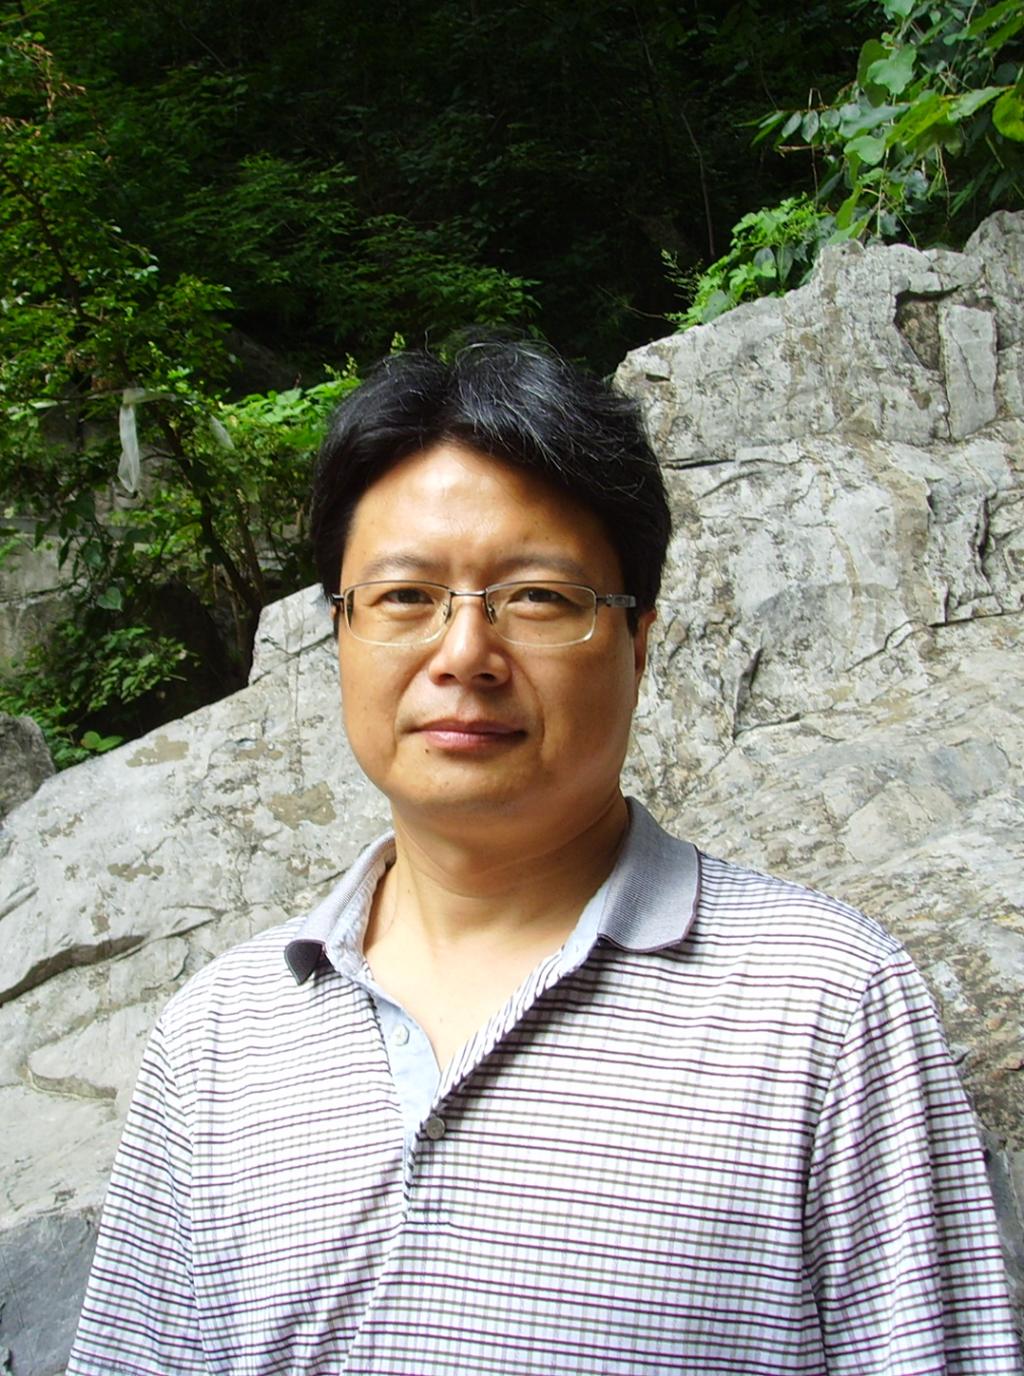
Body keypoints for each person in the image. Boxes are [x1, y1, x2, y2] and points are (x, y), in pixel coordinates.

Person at [68, 340, 1021, 1375]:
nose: (464, 654)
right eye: (404, 596)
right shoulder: (217, 1040)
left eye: (536, 598)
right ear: (338, 632)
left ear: (639, 643)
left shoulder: (826, 1008)